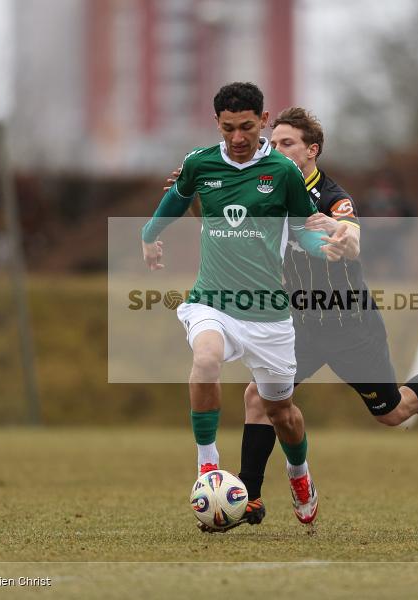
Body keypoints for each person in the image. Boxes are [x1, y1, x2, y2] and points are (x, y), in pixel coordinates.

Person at [230, 107, 418, 530]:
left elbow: (351, 233)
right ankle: (250, 497)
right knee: (258, 398)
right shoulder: (265, 189)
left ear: (311, 151)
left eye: (288, 143)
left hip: (350, 327)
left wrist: (341, 237)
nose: (278, 149)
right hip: (299, 326)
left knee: (393, 413)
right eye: (275, 142)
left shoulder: (332, 196)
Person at [141, 83, 348, 529]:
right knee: (207, 358)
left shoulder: (283, 171)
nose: (238, 137)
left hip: (269, 314)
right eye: (229, 127)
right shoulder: (200, 163)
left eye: (248, 127)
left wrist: (320, 247)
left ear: (264, 120)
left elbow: (301, 229)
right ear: (217, 123)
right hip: (212, 300)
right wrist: (148, 235)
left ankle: (299, 475)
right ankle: (207, 465)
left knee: (282, 413)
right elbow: (176, 199)